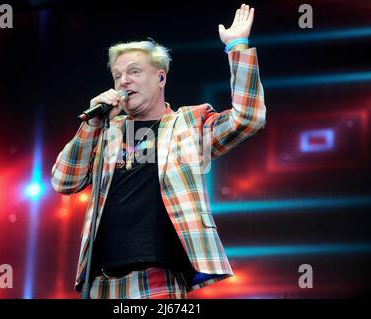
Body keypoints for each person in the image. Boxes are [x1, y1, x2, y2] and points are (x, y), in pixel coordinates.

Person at [51, 3, 266, 299]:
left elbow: (248, 118)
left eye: (134, 71)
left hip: (158, 281)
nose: (124, 81)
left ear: (161, 78)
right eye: (118, 75)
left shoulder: (187, 124)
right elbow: (64, 181)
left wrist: (237, 47)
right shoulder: (105, 131)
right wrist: (91, 124)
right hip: (100, 282)